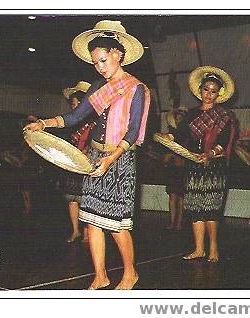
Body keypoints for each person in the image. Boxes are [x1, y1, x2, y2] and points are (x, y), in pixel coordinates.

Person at [25, 20, 150, 289]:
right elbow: (74, 117)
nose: (100, 67)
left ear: (119, 54)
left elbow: (132, 132)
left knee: (117, 223)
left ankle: (130, 273)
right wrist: (44, 123)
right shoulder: (97, 88)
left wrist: (111, 159)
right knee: (92, 220)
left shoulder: (136, 88)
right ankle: (100, 275)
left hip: (119, 159)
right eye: (95, 63)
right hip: (94, 157)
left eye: (103, 60)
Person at [166, 66, 237, 263]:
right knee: (195, 208)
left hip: (214, 167)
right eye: (206, 89)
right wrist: (169, 137)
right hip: (194, 165)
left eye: (213, 91)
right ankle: (199, 249)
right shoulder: (190, 114)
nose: (209, 94)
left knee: (211, 208)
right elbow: (180, 134)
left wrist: (210, 153)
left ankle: (213, 248)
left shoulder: (224, 116)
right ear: (200, 90)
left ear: (219, 94)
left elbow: (223, 141)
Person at [61, 81, 95, 243]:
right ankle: (76, 231)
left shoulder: (94, 123)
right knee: (71, 199)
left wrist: (85, 152)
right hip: (73, 166)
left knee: (85, 200)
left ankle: (87, 233)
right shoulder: (73, 124)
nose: (73, 107)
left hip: (88, 166)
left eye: (76, 104)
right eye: (72, 104)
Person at [163, 106, 188, 231]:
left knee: (181, 197)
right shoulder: (171, 133)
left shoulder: (188, 134)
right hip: (173, 168)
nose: (179, 118)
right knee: (173, 196)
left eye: (182, 116)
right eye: (178, 116)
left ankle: (179, 223)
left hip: (183, 167)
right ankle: (172, 222)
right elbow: (167, 151)